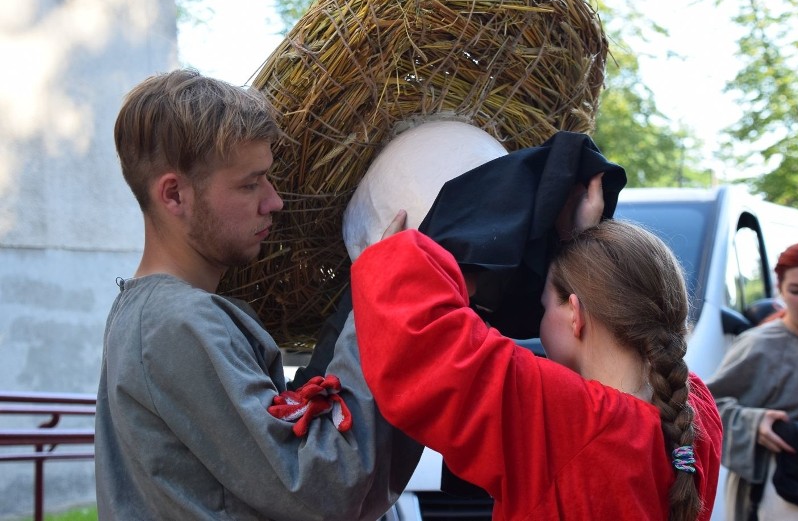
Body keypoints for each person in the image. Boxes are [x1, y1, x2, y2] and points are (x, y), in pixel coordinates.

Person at [95, 68, 421, 521]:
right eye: (250, 184)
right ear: (174, 195)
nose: (274, 201)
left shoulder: (149, 314)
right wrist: (382, 292)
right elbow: (322, 486)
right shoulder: (177, 324)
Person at [350, 210, 723, 520]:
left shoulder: (575, 422)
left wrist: (391, 258)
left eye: (543, 308)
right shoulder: (697, 409)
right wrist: (586, 242)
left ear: (574, 314)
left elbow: (428, 349)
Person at [705, 241, 798, 521]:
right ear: (781, 290)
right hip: (771, 501)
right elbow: (702, 408)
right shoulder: (760, 345)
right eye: (797, 290)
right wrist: (753, 423)